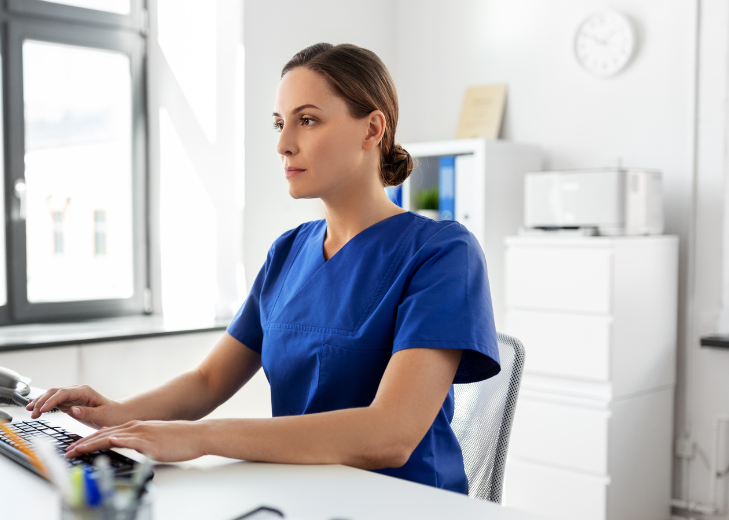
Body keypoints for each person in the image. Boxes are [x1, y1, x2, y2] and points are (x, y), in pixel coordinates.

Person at [28, 42, 500, 493]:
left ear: (372, 130)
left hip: (410, 516)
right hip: (299, 497)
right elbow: (208, 381)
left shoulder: (441, 253)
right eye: (279, 124)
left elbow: (390, 434)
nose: (284, 145)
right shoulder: (289, 252)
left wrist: (200, 438)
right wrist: (116, 414)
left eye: (308, 121)